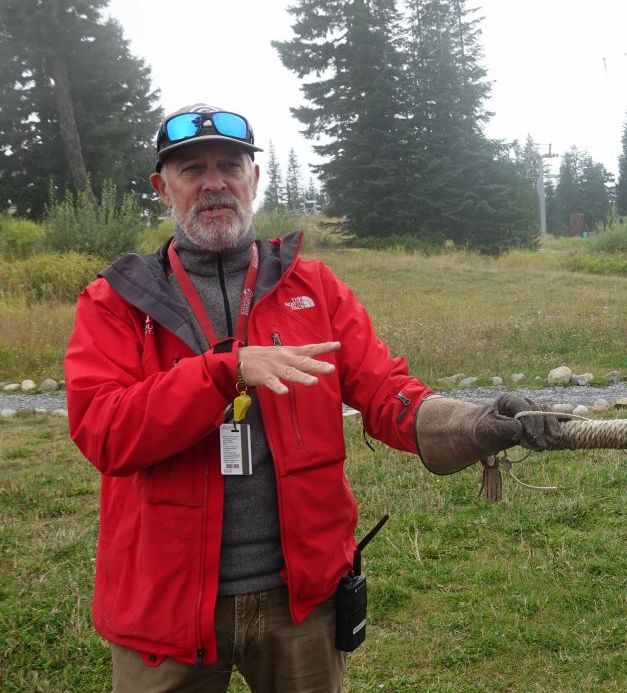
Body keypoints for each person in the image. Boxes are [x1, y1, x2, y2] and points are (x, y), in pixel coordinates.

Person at [65, 104, 562, 692]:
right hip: (164, 605)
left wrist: (480, 423)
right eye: (192, 169)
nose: (214, 183)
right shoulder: (118, 301)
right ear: (162, 187)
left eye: (230, 165)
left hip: (301, 600)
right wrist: (225, 372)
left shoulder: (314, 286)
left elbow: (385, 392)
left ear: (253, 179)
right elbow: (104, 429)